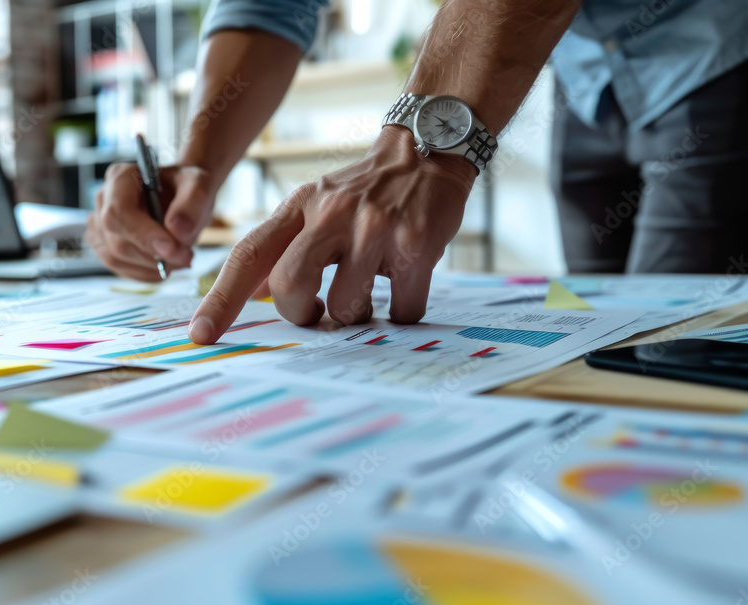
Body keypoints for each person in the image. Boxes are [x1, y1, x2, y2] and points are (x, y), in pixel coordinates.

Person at [84, 0, 748, 346]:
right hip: (584, 77)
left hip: (717, 56)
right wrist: (197, 166)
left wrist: (421, 146)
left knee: (675, 344)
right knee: (602, 340)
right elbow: (266, 7)